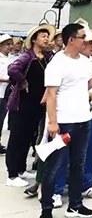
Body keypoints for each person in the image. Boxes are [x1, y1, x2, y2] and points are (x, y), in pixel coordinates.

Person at [40, 23, 92, 218]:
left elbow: (86, 84)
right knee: (54, 166)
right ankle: (46, 210)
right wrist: (53, 122)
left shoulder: (83, 62)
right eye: (81, 37)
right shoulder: (57, 63)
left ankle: (75, 205)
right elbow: (51, 94)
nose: (85, 41)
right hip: (64, 122)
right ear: (71, 40)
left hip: (83, 120)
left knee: (78, 164)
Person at [5, 24, 55, 187]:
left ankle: (21, 168)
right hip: (23, 103)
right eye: (43, 36)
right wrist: (23, 82)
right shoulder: (27, 56)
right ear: (34, 39)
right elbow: (12, 69)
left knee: (28, 137)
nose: (46, 38)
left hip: (37, 103)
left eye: (47, 36)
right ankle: (12, 175)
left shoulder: (46, 57)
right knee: (17, 138)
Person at [0, 34, 12, 155]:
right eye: (7, 45)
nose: (10, 47)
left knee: (1, 120)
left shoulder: (10, 59)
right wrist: (8, 79)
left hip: (6, 93)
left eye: (10, 44)